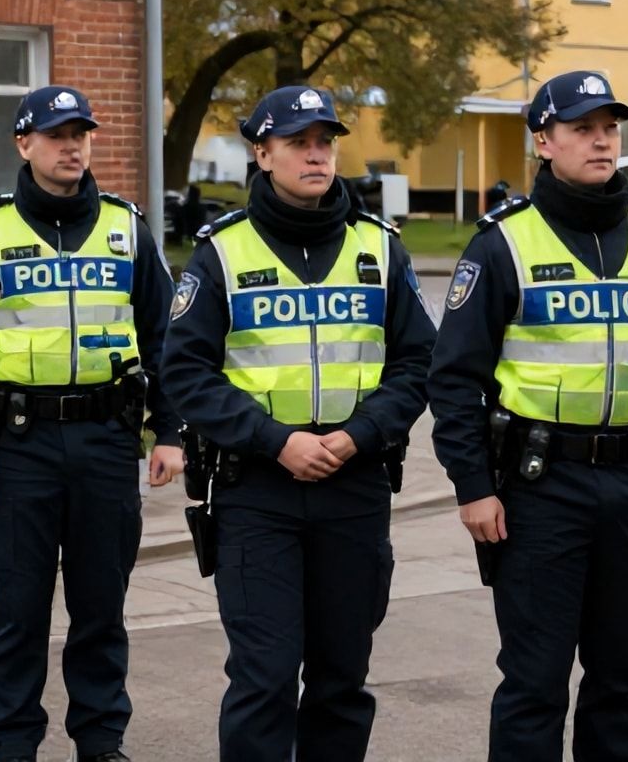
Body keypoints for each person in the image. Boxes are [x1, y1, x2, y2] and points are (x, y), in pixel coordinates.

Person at [430, 70, 628, 762]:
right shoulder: (504, 245)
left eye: (610, 127)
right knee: (534, 682)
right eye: (582, 128)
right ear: (544, 141)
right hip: (539, 488)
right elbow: (454, 379)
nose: (601, 140)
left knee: (620, 685)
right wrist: (473, 487)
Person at [160, 85, 435, 761]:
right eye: (298, 143)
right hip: (259, 491)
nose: (316, 155)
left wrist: (359, 434)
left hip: (355, 484)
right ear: (262, 153)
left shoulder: (380, 248)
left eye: (325, 143)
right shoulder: (223, 252)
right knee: (265, 677)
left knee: (342, 679)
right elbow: (186, 371)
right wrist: (275, 440)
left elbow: (420, 361)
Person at [0, 85, 183, 762]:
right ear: (24, 144)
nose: (73, 146)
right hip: (18, 447)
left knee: (102, 608)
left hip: (106, 440)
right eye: (58, 134)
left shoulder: (128, 228)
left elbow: (165, 340)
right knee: (19, 610)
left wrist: (173, 431)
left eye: (83, 134)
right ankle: (13, 746)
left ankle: (100, 741)